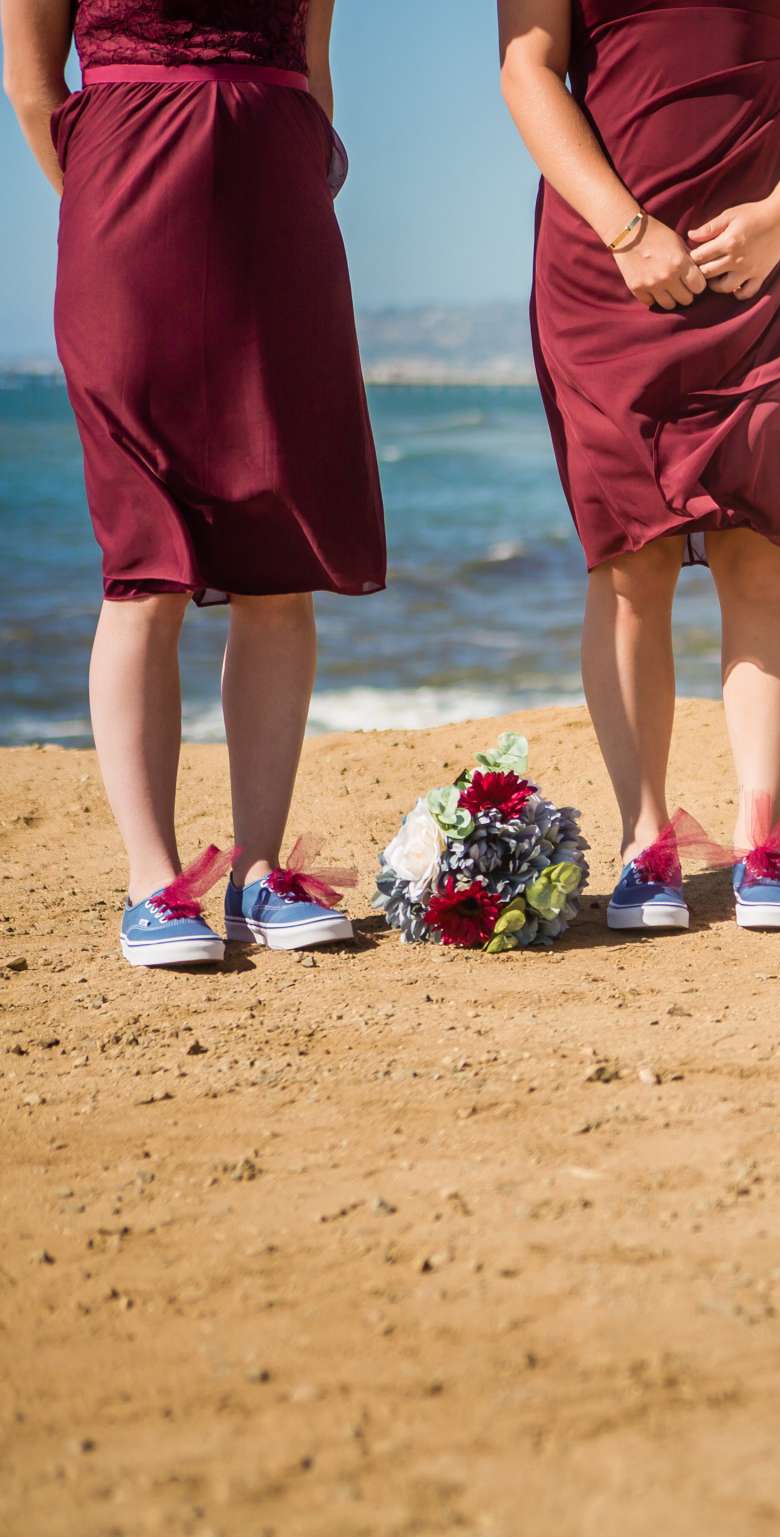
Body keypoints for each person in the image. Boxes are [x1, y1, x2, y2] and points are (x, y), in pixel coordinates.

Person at [3, 0, 386, 967]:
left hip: (278, 209)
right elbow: (33, 83)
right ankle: (154, 880)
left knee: (278, 549)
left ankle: (259, 874)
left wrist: (290, 182)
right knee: (147, 557)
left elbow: (312, 64)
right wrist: (102, 194)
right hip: (126, 206)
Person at [498, 0, 780, 933]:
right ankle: (645, 841)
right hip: (608, 267)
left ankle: (761, 842)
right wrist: (626, 231)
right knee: (630, 562)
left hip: (772, 265)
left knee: (764, 553)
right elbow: (528, 67)